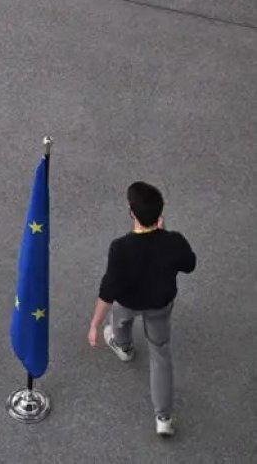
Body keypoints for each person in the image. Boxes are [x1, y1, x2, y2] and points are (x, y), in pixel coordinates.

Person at [87, 181, 196, 437]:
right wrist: (165, 237)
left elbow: (108, 291)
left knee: (119, 321)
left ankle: (123, 346)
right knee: (160, 354)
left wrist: (94, 325)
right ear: (160, 214)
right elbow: (189, 264)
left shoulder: (120, 248)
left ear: (132, 213)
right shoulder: (173, 241)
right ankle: (163, 418)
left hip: (128, 302)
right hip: (160, 305)